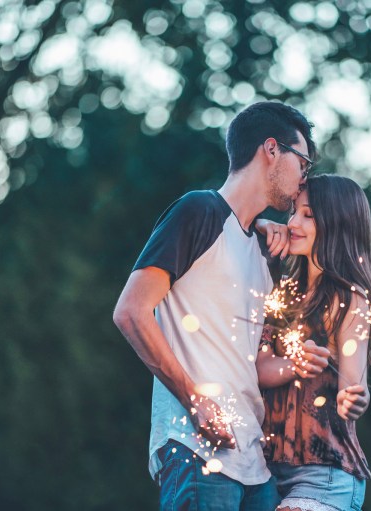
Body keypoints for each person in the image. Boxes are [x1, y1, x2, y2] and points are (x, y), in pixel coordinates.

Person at [112, 101, 333, 510]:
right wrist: (195, 400)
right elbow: (130, 312)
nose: (305, 177)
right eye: (302, 161)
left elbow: (251, 360)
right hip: (196, 450)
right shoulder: (198, 211)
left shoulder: (265, 250)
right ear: (271, 149)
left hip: (253, 460)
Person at [255, 175, 371, 511]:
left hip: (324, 473)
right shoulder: (280, 292)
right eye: (293, 212)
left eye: (308, 215)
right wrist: (293, 365)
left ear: (337, 223)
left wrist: (356, 399)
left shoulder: (350, 299)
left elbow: (353, 387)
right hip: (267, 471)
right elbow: (260, 368)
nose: (293, 222)